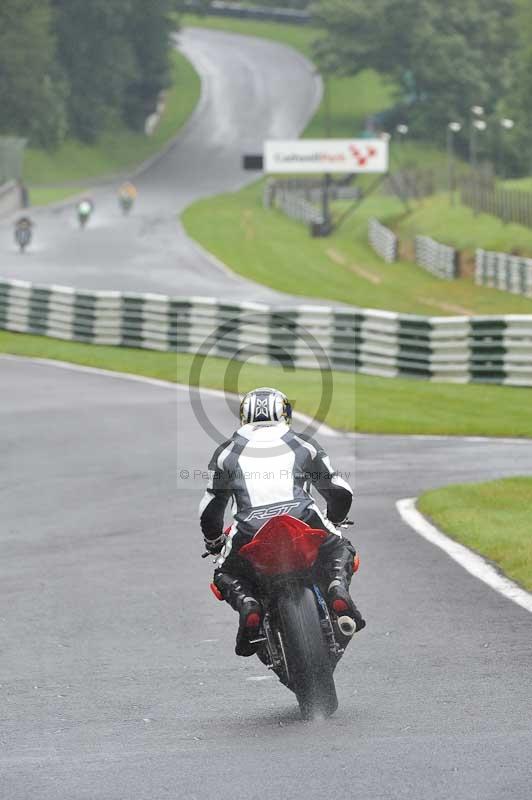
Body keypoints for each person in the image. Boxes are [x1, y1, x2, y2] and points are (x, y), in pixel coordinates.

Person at [199, 387, 365, 657]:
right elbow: (339, 490)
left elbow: (211, 508)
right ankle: (336, 585)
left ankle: (248, 603)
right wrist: (334, 521)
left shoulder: (226, 453)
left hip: (249, 529)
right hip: (303, 517)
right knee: (340, 548)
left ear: (244, 417)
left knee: (223, 573)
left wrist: (214, 541)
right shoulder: (302, 443)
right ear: (285, 414)